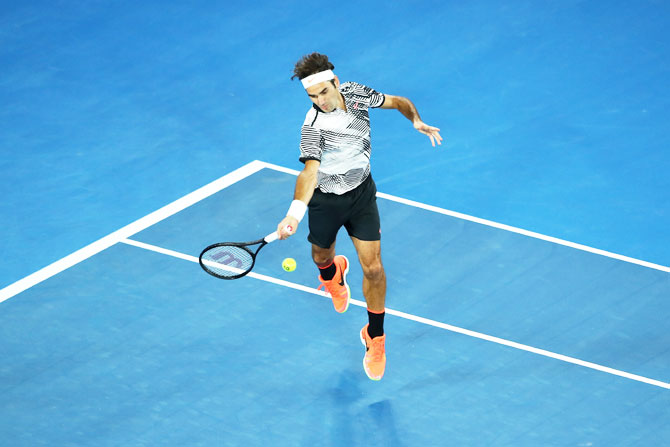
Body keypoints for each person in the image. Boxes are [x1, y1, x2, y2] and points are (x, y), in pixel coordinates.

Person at [276, 52, 441, 380]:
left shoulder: (356, 93)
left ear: (336, 82)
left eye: (324, 92)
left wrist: (416, 121)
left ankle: (375, 337)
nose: (320, 101)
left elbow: (398, 102)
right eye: (312, 96)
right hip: (326, 200)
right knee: (321, 255)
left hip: (362, 195)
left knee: (374, 269)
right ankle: (332, 275)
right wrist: (294, 213)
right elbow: (309, 174)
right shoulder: (312, 128)